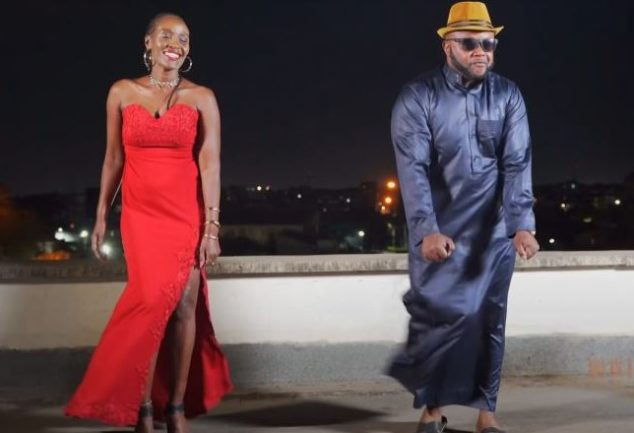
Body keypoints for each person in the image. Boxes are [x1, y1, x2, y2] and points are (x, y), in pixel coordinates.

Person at [65, 13, 232, 433]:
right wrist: (101, 213)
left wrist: (212, 227)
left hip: (186, 214)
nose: (176, 43)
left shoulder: (202, 97)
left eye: (184, 38)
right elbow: (113, 159)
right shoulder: (121, 92)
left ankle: (174, 406)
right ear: (148, 42)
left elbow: (210, 164)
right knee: (149, 303)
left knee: (184, 307)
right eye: (167, 35)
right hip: (140, 217)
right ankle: (140, 407)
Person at [387, 2, 539, 433]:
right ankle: (432, 410)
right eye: (470, 42)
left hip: (494, 232)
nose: (481, 51)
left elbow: (517, 162)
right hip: (441, 232)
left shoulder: (508, 95)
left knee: (490, 321)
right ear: (447, 46)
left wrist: (522, 224)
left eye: (488, 44)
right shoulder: (418, 96)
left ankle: (487, 414)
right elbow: (413, 169)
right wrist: (426, 231)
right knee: (438, 323)